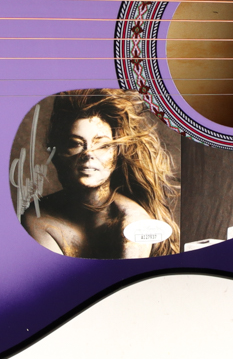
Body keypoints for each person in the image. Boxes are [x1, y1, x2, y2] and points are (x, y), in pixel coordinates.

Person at [21, 89, 179, 258]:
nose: (88, 154)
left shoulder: (133, 223)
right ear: (59, 152)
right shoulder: (37, 216)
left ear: (118, 153)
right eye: (75, 143)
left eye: (102, 145)